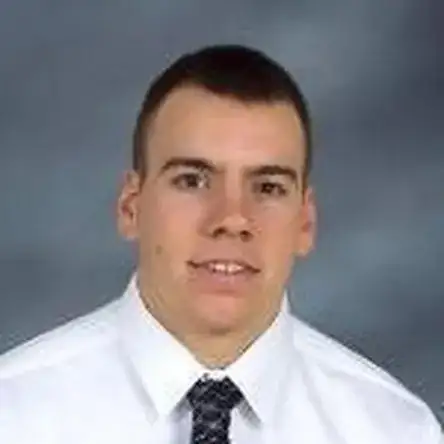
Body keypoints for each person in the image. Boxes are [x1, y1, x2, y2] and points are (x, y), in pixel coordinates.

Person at [0, 44, 442, 444]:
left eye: (267, 188)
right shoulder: (14, 414)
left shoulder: (395, 431)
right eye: (192, 181)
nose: (232, 219)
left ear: (305, 222)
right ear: (131, 207)